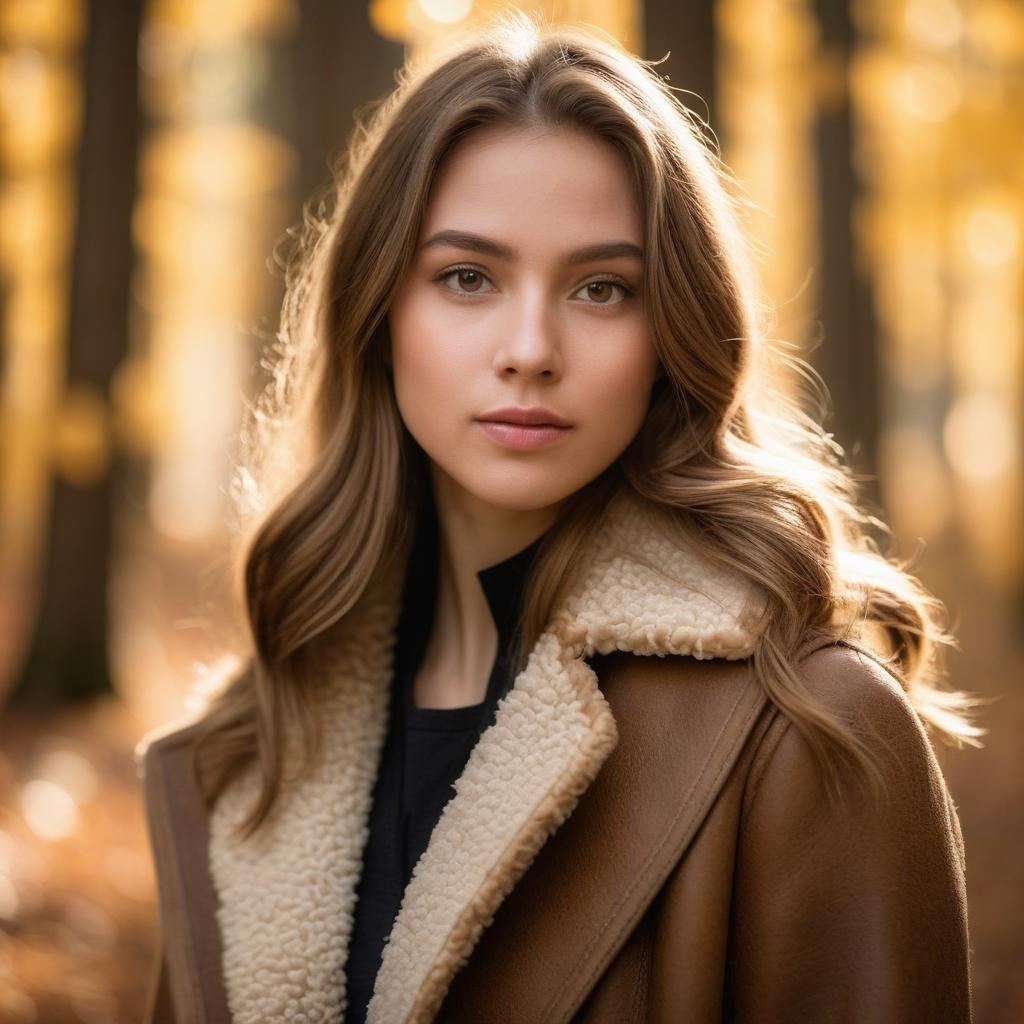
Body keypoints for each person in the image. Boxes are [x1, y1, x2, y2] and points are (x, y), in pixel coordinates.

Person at [136, 12, 982, 1023]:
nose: (530, 347)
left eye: (600, 288)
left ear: (671, 333)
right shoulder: (252, 746)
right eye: (467, 277)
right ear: (378, 315)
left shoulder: (807, 729)